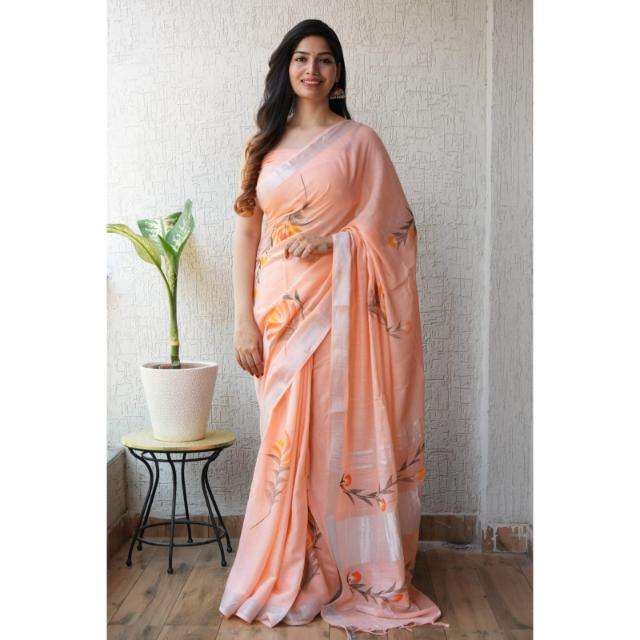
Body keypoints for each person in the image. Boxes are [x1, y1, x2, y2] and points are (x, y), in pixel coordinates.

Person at [219, 18, 447, 638]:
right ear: (285, 68)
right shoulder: (261, 145)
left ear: (338, 72)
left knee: (331, 435)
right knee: (286, 438)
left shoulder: (360, 143)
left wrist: (336, 242)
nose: (312, 69)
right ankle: (288, 564)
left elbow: (397, 232)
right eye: (301, 58)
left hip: (340, 312)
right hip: (279, 313)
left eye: (324, 59)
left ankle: (340, 566)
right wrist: (243, 320)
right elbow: (246, 233)